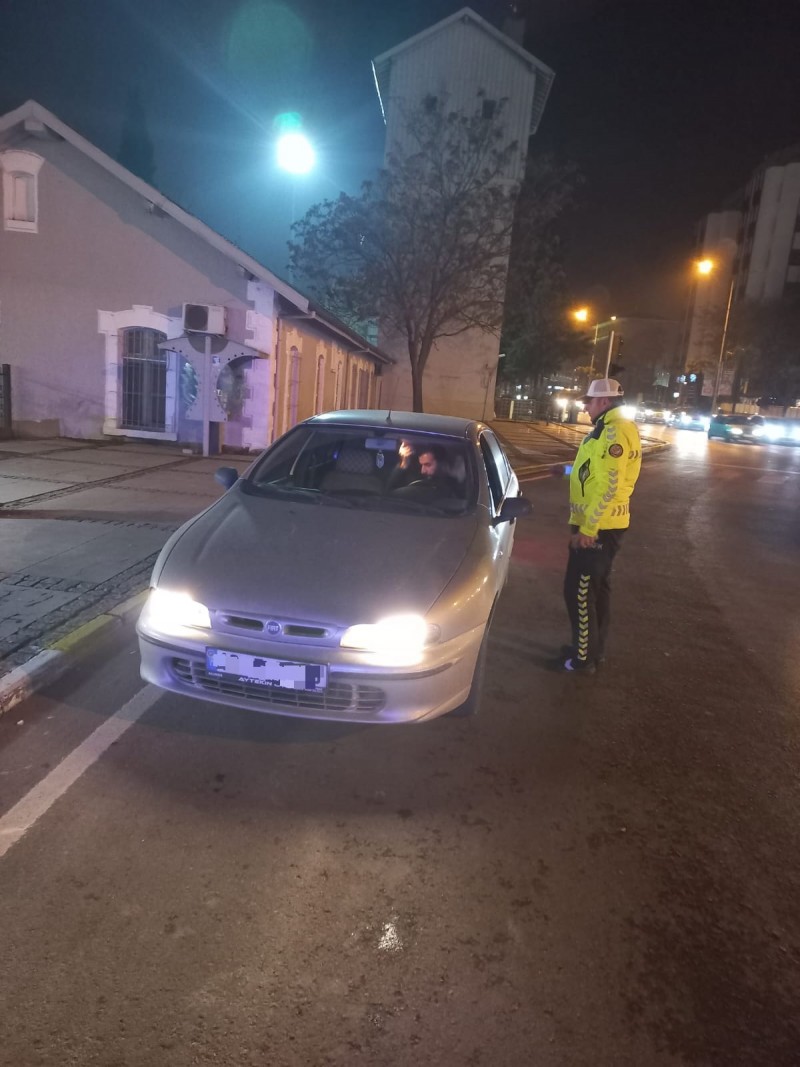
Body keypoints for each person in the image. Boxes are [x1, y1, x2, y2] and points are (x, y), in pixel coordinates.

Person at [549, 378, 642, 673]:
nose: (585, 407)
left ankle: (582, 659)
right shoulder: (608, 428)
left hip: (600, 526)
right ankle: (591, 649)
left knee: (579, 592)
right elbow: (591, 472)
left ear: (604, 401)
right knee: (596, 590)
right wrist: (566, 470)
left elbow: (609, 485)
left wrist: (589, 530)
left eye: (588, 401)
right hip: (603, 523)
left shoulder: (614, 432)